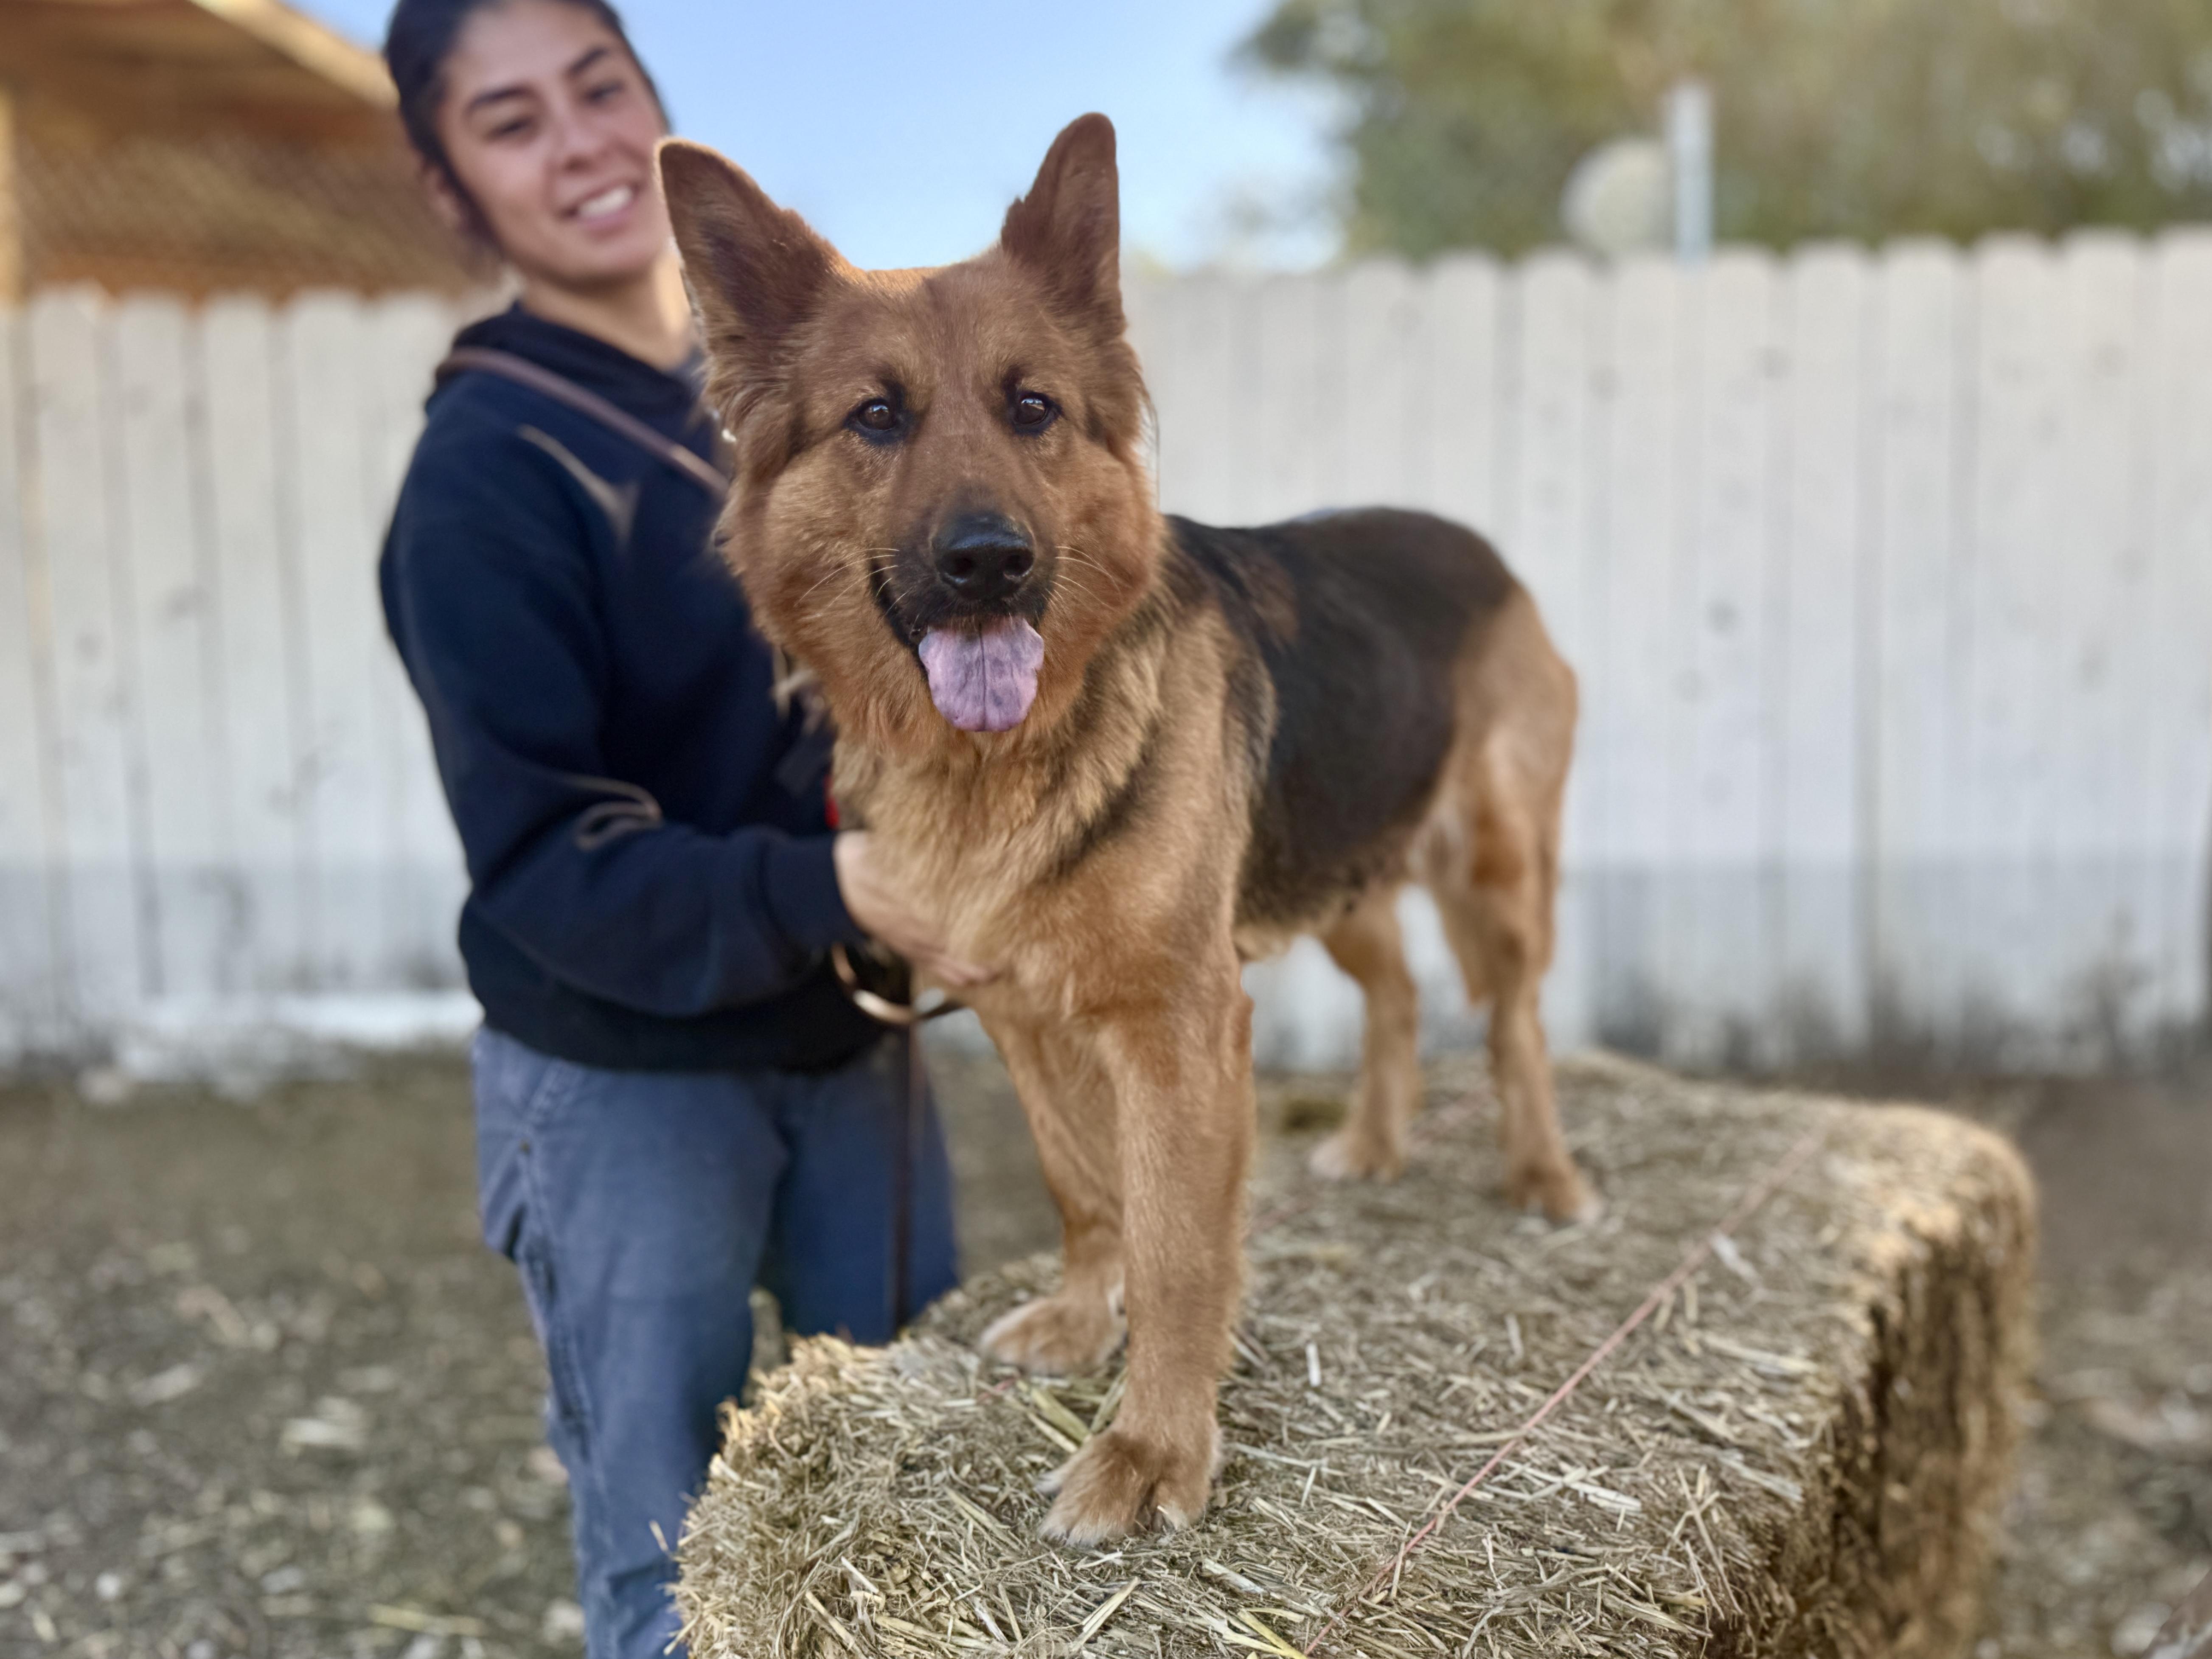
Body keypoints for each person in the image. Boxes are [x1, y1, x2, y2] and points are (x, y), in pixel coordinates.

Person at [376, 3, 984, 1653]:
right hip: (626, 1078)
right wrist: (842, 881)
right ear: (448, 187)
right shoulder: (487, 478)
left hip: (846, 1041)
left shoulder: (818, 392)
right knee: (675, 1541)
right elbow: (547, 861)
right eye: (510, 123)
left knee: (931, 1469)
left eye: (599, 88)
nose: (578, 144)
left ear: (654, 102)